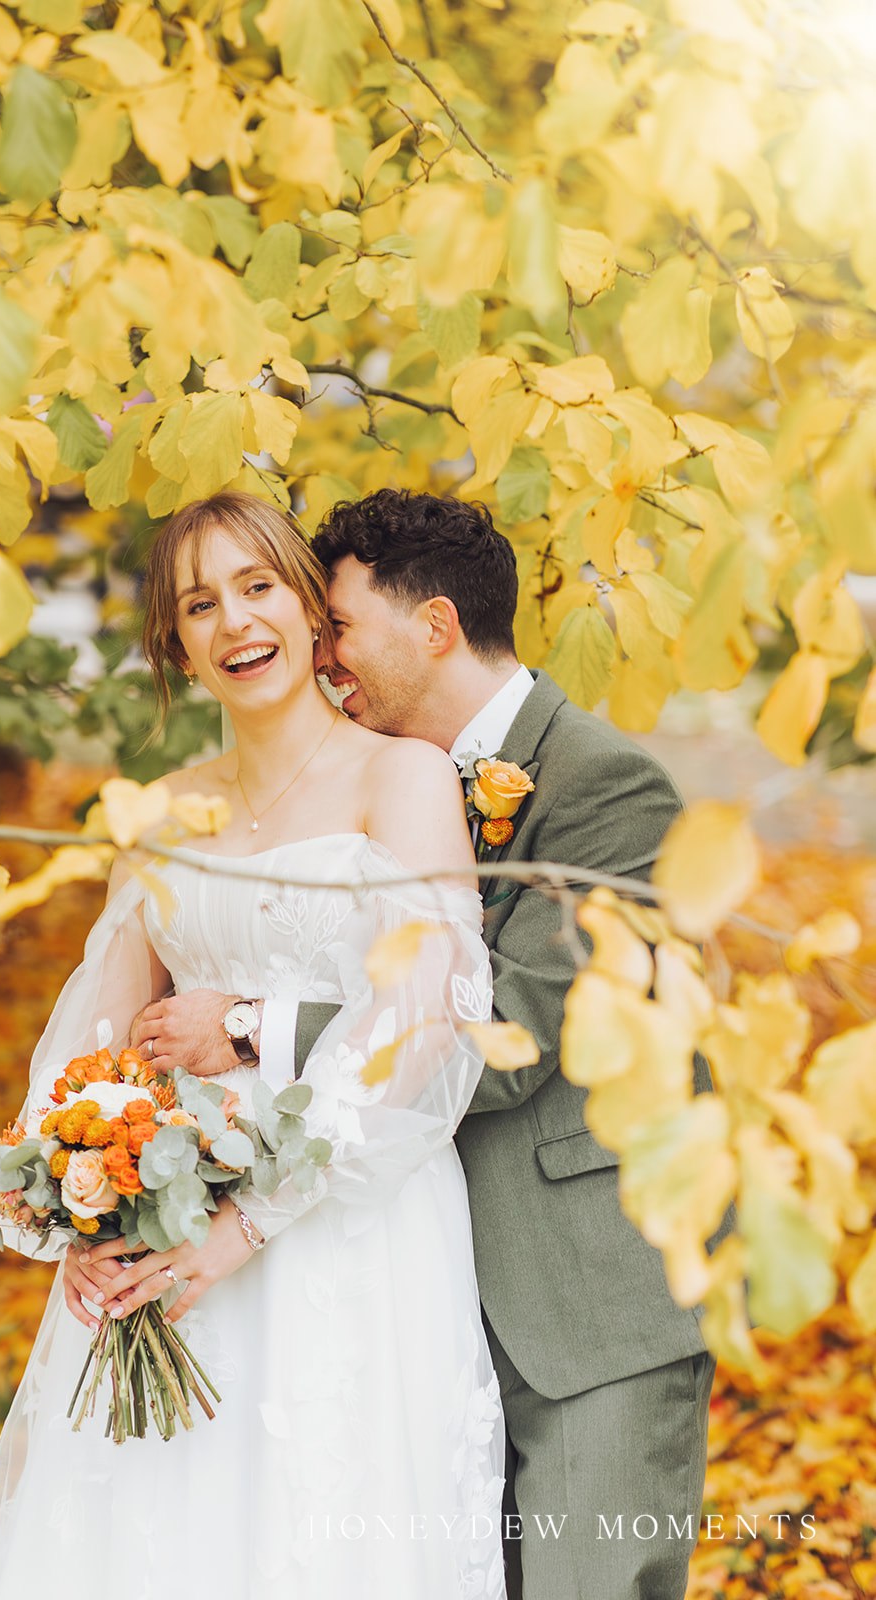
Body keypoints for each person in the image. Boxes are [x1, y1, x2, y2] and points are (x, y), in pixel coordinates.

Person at [135, 489, 726, 1600]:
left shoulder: (604, 785)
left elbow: (516, 1027)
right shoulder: (373, 778)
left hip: (579, 1300)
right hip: (410, 1279)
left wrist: (254, 1025)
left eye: (339, 624)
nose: (322, 648)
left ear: (435, 627)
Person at [0, 491, 506, 1600]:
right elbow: (99, 1040)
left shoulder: (396, 778)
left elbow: (422, 1018)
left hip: (348, 1220)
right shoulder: (162, 815)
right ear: (175, 643)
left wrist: (247, 1221)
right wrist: (77, 1201)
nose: (233, 622)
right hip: (166, 1223)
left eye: (257, 586)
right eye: (197, 604)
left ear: (312, 610)